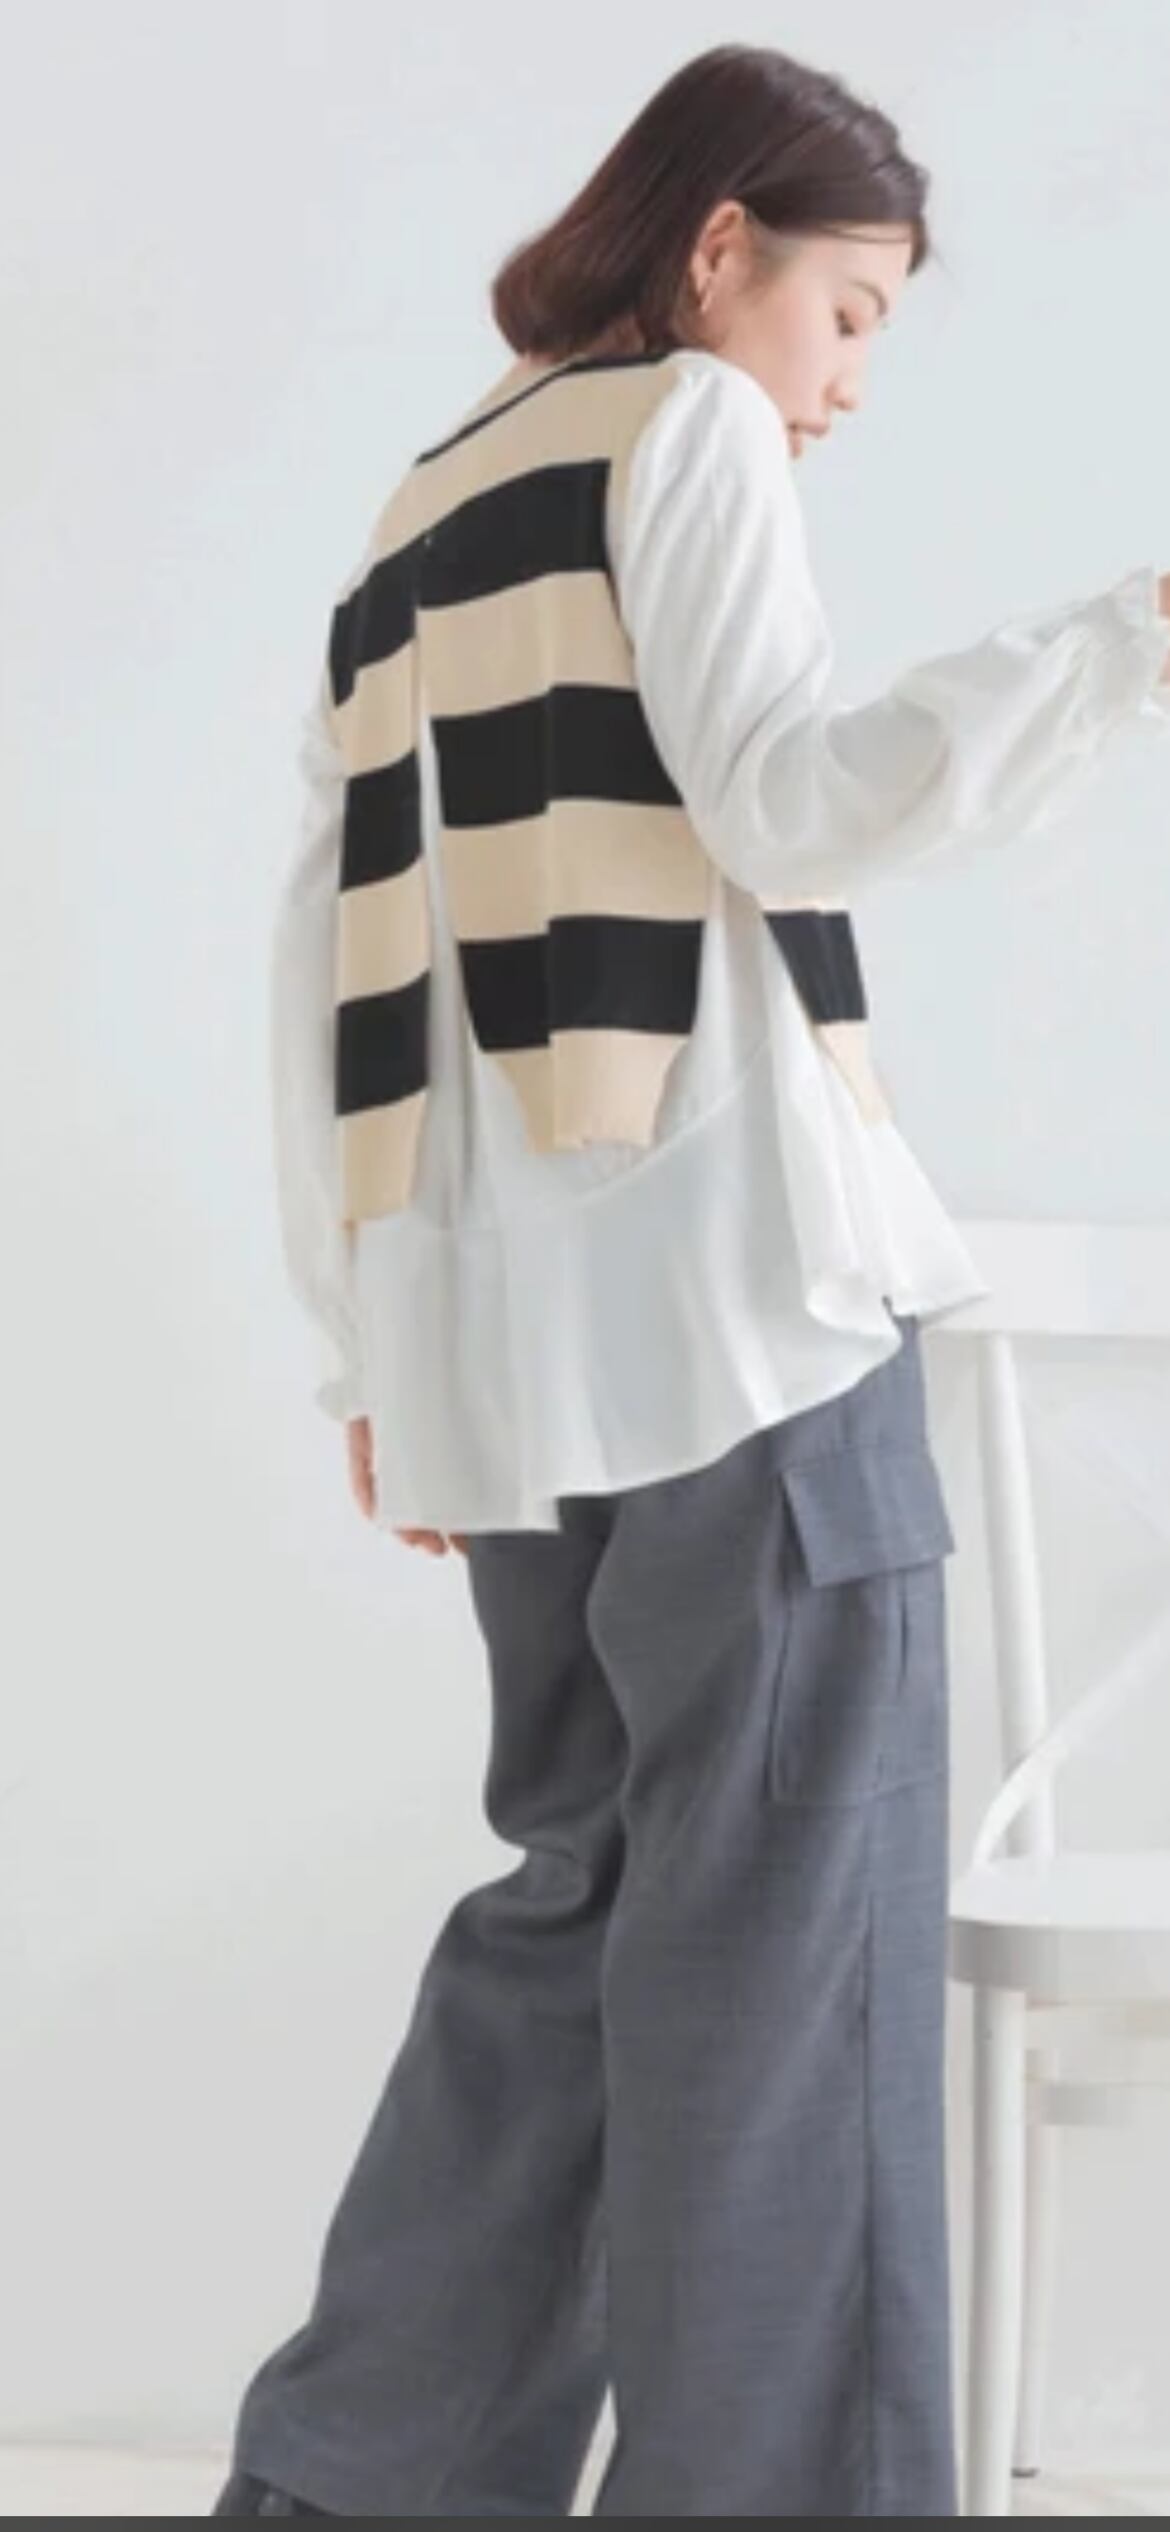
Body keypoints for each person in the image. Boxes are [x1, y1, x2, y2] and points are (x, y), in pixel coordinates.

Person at [212, 41, 1170, 2520]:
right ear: (720, 243)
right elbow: (787, 800)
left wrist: (367, 1344)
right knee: (795, 1959)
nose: (845, 388)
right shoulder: (687, 429)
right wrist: (1129, 638)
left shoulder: (421, 509)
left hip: (509, 1372)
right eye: (850, 314)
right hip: (745, 1320)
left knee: (579, 1921)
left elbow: (327, 955)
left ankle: (355, 2487)